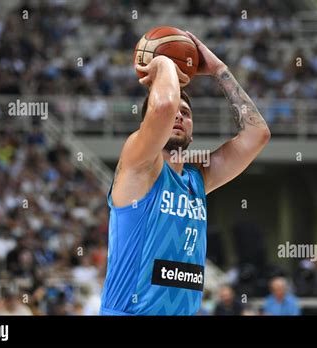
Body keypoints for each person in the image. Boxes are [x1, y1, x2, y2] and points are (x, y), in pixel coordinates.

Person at [100, 32, 271, 315]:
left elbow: (258, 134)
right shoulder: (138, 164)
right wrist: (163, 63)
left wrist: (219, 70)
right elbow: (164, 106)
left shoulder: (197, 179)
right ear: (147, 125)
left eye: (187, 113)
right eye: (175, 111)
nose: (179, 115)